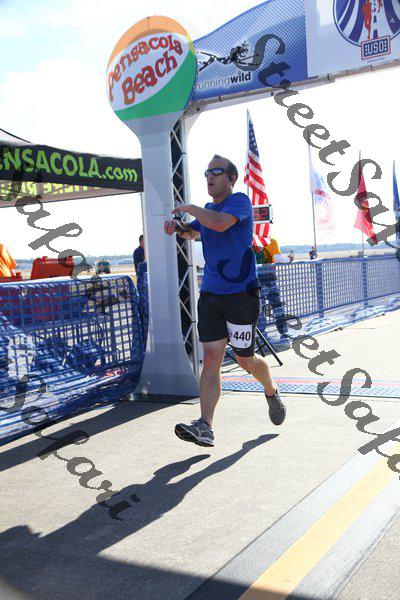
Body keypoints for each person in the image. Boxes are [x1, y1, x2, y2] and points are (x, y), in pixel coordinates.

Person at [164, 155, 286, 448]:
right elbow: (194, 230)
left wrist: (190, 208)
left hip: (241, 295)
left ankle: (270, 389)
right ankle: (205, 426)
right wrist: (178, 227)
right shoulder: (207, 212)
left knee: (245, 360)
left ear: (231, 179)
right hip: (211, 295)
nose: (210, 177)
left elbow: (218, 225)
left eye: (217, 172)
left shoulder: (239, 202)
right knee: (211, 359)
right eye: (207, 172)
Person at [260, 238, 294, 344]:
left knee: (260, 311)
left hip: (256, 281)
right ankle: (284, 336)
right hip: (270, 279)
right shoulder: (270, 240)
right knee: (277, 308)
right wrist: (289, 259)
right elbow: (277, 258)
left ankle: (262, 339)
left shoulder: (250, 240)